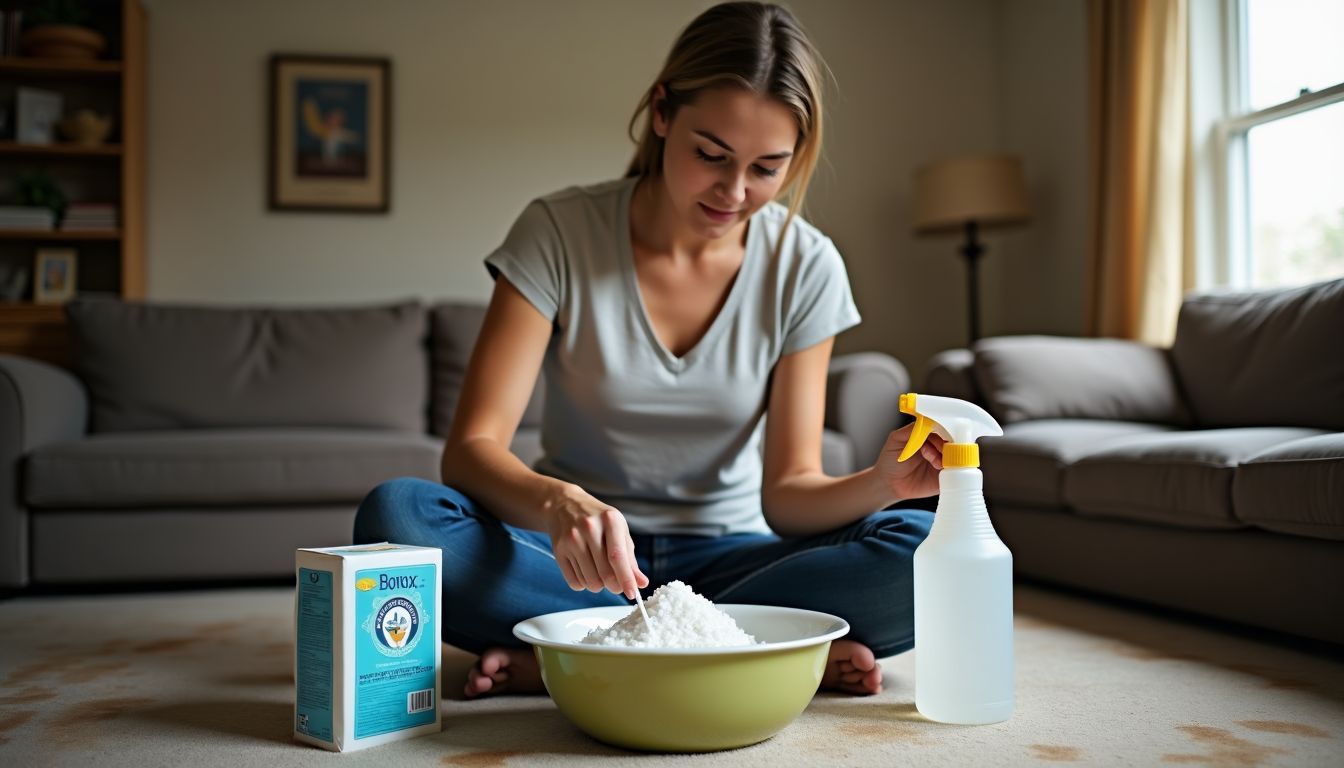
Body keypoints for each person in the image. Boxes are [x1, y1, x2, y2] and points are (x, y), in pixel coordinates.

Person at [354, 1, 944, 699]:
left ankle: (577, 654)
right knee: (398, 518)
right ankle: (746, 651)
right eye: (711, 155)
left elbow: (789, 496)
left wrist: (883, 483)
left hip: (740, 561)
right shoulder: (558, 231)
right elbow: (472, 449)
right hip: (572, 561)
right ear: (661, 112)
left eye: (767, 168)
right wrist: (559, 506)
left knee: (929, 542)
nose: (734, 192)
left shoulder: (807, 265)